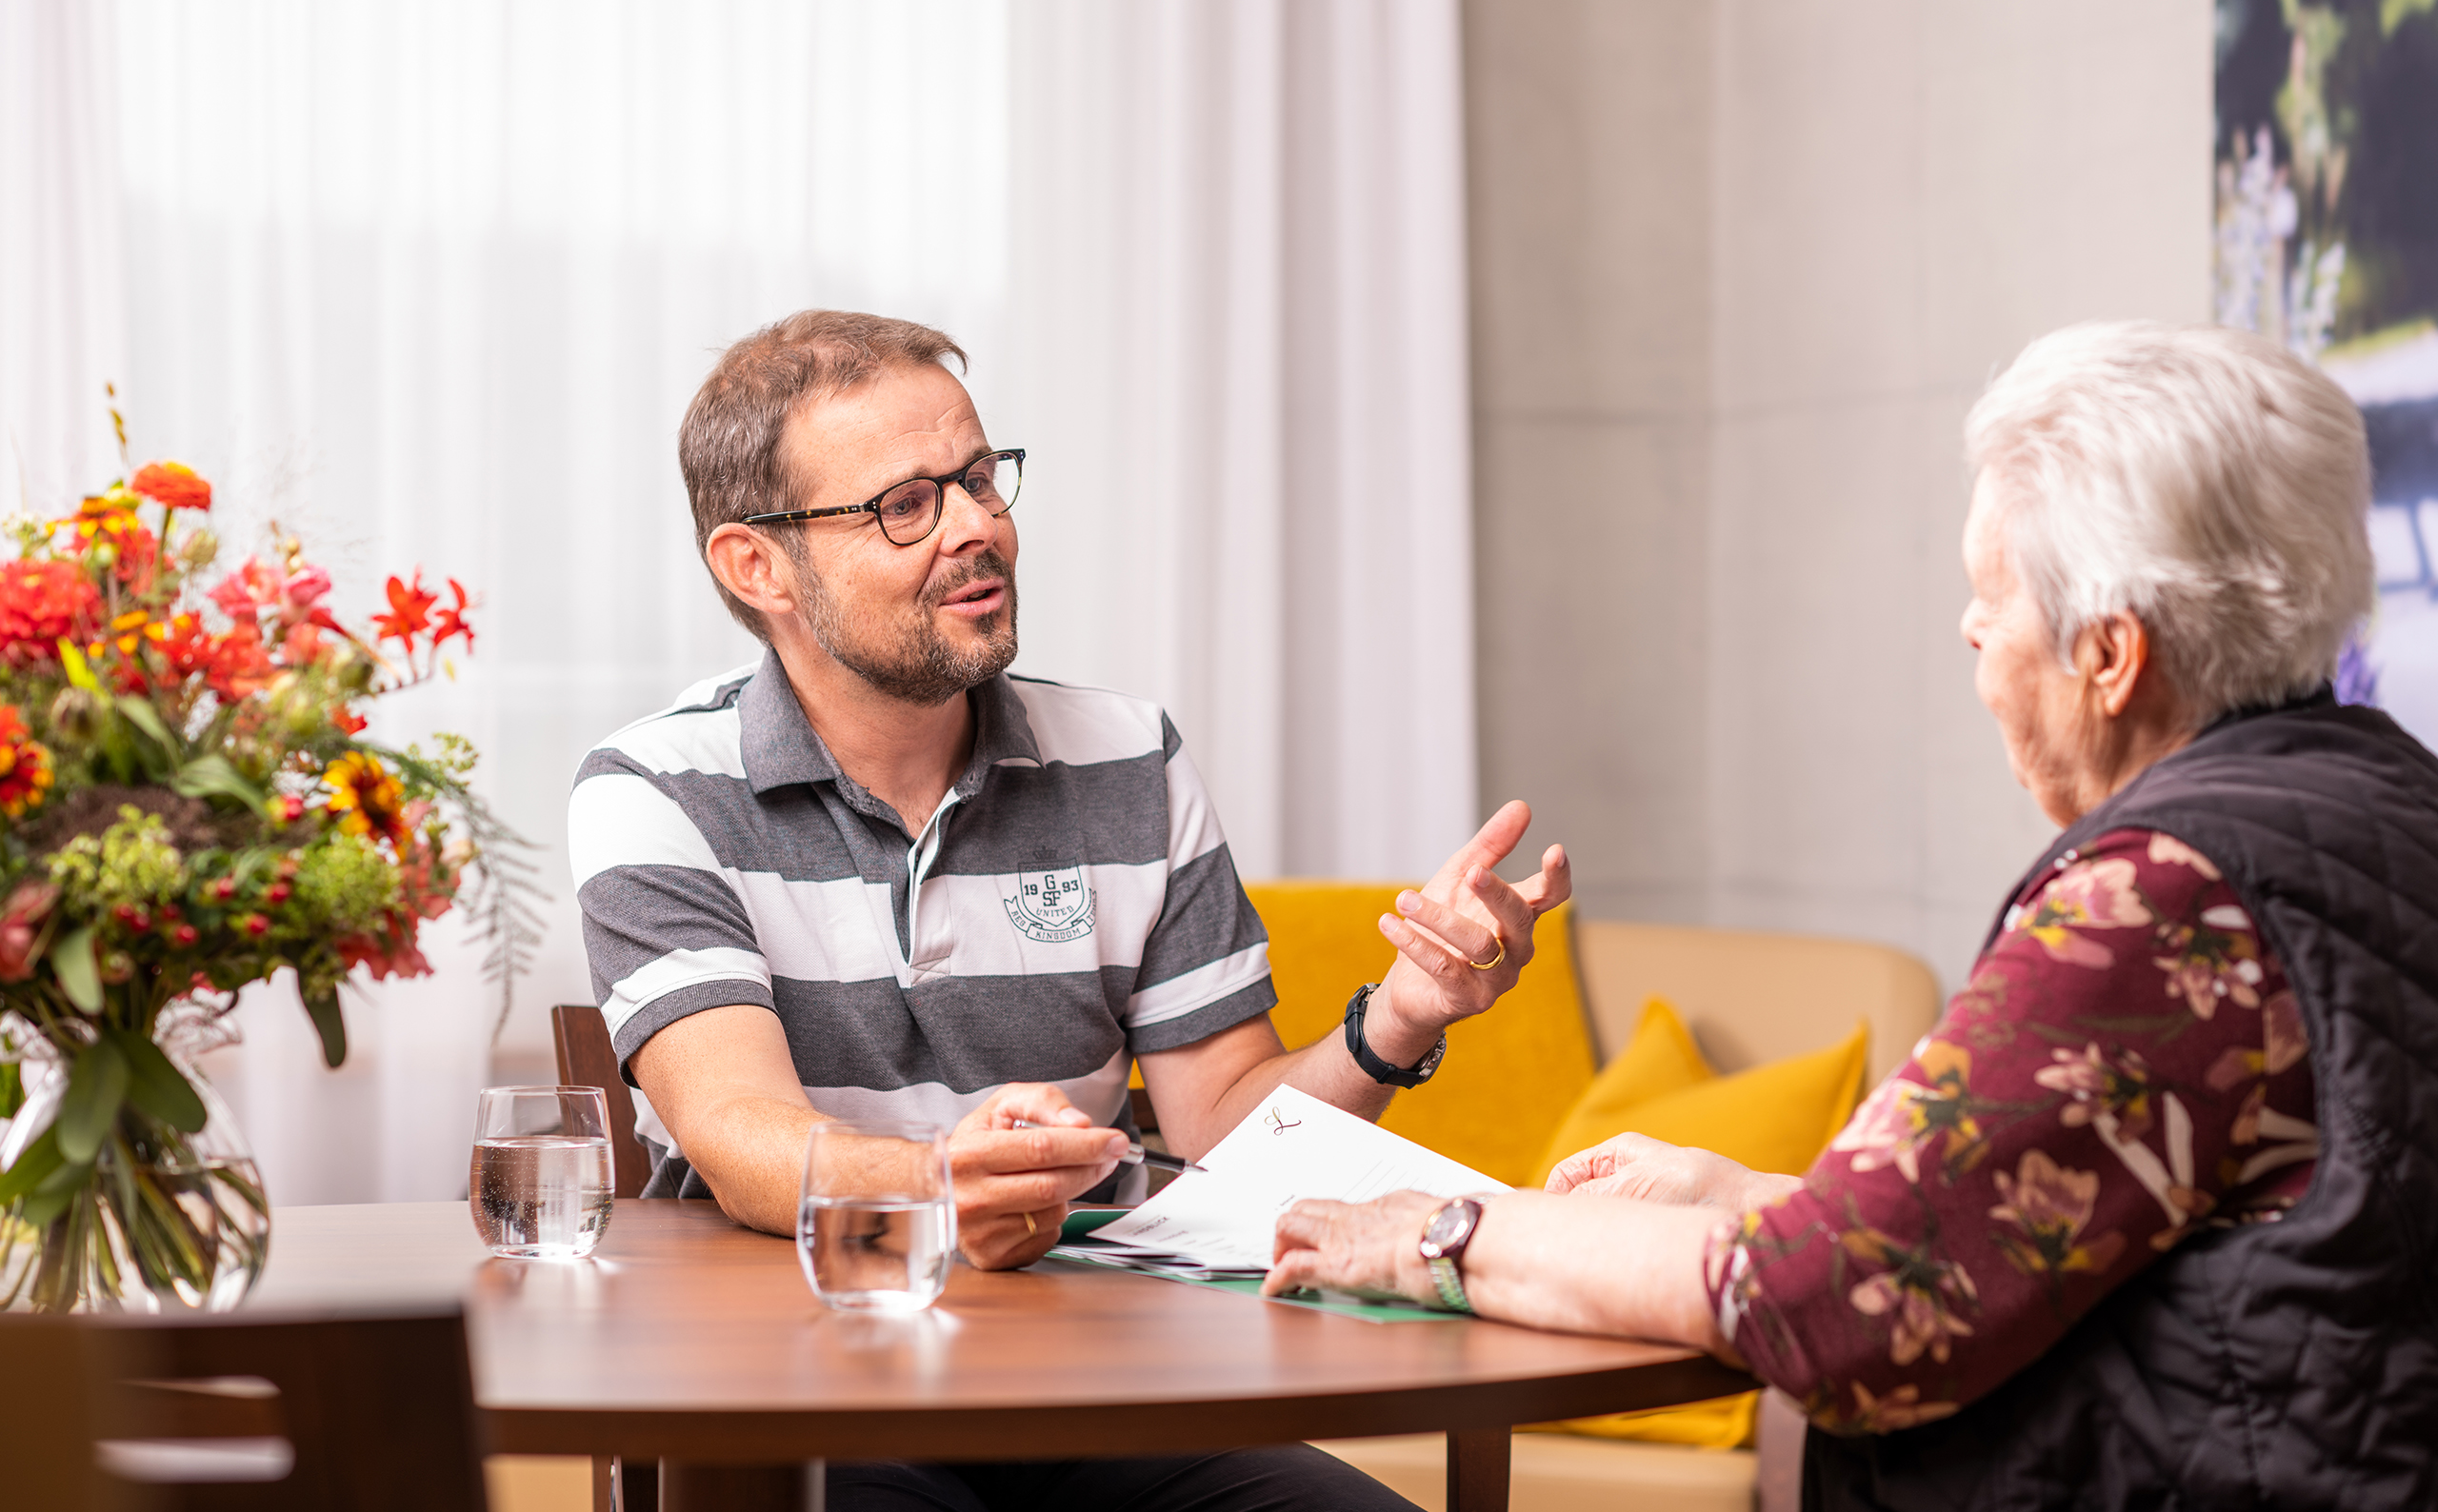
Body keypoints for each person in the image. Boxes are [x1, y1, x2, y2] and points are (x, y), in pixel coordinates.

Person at [1262, 321, 2438, 1510]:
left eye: (1991, 598)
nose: (1971, 631)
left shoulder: (2166, 900)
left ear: (2109, 655)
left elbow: (1843, 1304)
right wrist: (1739, 1196)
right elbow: (2041, 1239)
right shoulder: (2382, 811)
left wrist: (1447, 1234)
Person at [570, 308, 1570, 1511]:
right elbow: (738, 1129)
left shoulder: (1126, 760)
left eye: (981, 479)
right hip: (796, 1383)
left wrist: (1399, 1018)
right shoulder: (655, 791)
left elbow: (1220, 1129)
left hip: (1106, 1378)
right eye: (906, 504)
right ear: (758, 566)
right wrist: (940, 1184)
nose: (979, 527)